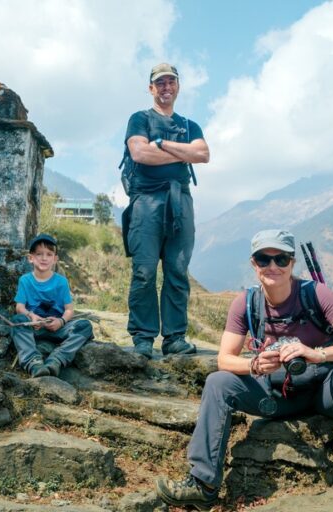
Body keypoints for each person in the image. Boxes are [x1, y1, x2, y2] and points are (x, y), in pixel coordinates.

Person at [155, 229, 333, 512]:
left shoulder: (315, 294)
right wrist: (254, 364)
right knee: (218, 382)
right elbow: (225, 359)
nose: (273, 266)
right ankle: (203, 484)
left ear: (292, 263)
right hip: (274, 396)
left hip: (325, 392)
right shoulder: (246, 304)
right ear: (253, 264)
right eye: (264, 259)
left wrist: (317, 354)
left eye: (281, 259)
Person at [123, 63, 210, 359]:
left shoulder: (189, 125)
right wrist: (179, 153)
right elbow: (139, 153)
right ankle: (143, 338)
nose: (166, 87)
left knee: (176, 270)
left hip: (180, 203)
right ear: (151, 88)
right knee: (145, 270)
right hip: (145, 202)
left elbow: (202, 154)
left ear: (178, 86)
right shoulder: (139, 119)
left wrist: (162, 145)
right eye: (159, 83)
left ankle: (174, 338)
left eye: (170, 81)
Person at [10, 234, 94, 378]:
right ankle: (34, 363)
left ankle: (56, 360)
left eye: (49, 254)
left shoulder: (61, 282)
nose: (44, 258)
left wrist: (61, 322)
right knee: (17, 322)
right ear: (31, 258)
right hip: (34, 326)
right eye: (39, 254)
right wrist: (31, 316)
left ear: (55, 259)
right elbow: (20, 307)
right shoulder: (25, 280)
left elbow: (69, 310)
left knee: (85, 326)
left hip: (57, 328)